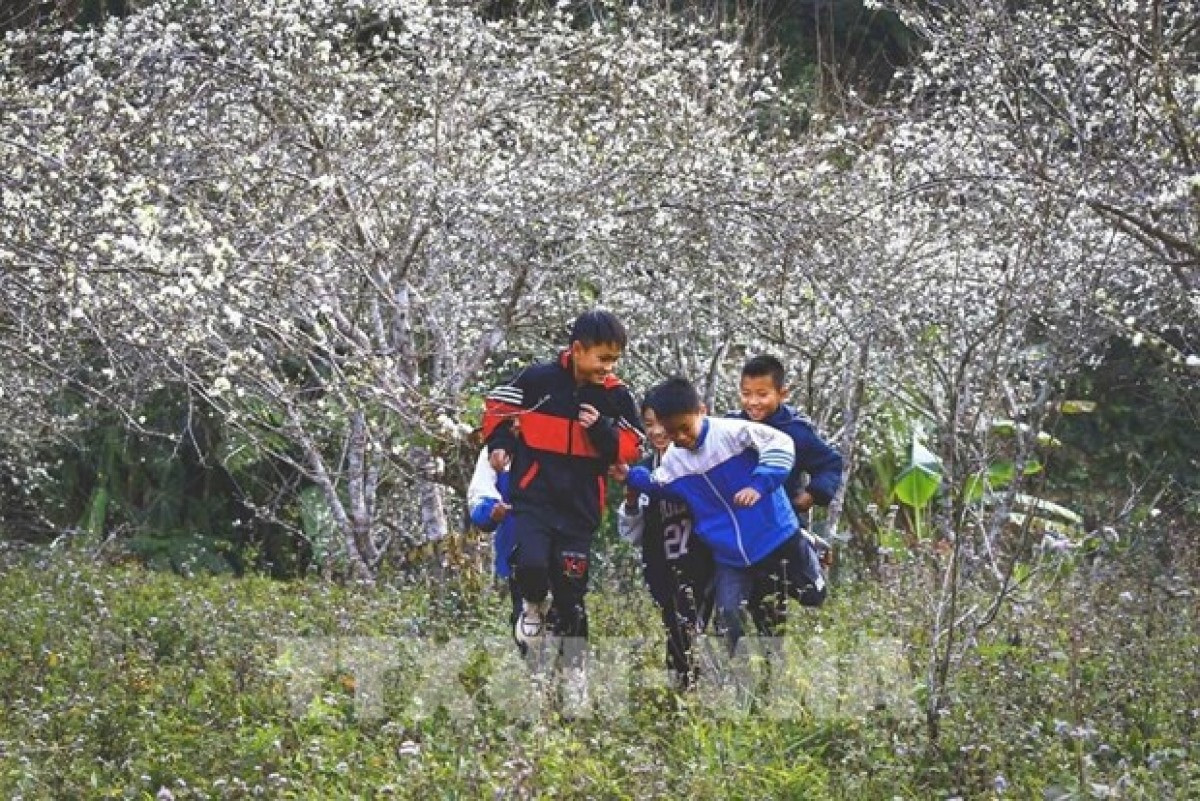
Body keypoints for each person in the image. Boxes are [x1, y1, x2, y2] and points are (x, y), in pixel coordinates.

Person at [620, 377, 825, 653]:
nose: (680, 438)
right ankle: (741, 670)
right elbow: (659, 484)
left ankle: (808, 546)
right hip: (728, 552)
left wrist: (759, 484)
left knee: (812, 597)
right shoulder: (674, 459)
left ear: (701, 412)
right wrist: (631, 475)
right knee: (727, 615)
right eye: (672, 433)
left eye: (684, 428)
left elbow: (781, 445)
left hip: (773, 534)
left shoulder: (731, 433)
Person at [482, 310, 643, 661]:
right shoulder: (537, 379)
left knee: (571, 596)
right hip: (534, 498)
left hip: (580, 509)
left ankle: (575, 670)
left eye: (615, 360)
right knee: (532, 565)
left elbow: (633, 446)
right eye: (603, 358)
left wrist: (601, 428)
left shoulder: (615, 397)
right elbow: (497, 407)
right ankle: (532, 606)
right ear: (577, 349)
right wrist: (499, 444)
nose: (609, 367)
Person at [732, 354, 843, 632]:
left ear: (782, 393)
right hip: (741, 529)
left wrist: (812, 494)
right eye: (746, 394)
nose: (753, 402)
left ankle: (773, 666)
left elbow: (830, 463)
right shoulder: (731, 427)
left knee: (779, 602)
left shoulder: (796, 431)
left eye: (762, 394)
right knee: (738, 603)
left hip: (782, 529)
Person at [617, 394, 714, 690]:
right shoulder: (643, 471)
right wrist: (632, 503)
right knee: (676, 634)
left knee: (702, 631)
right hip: (664, 572)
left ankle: (711, 695)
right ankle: (680, 701)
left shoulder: (700, 463)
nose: (657, 431)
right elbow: (632, 533)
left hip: (704, 567)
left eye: (663, 423)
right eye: (649, 424)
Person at [466, 444, 523, 649]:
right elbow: (479, 497)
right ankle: (537, 676)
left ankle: (571, 675)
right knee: (526, 624)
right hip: (518, 552)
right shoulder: (498, 449)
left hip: (563, 545)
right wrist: (491, 512)